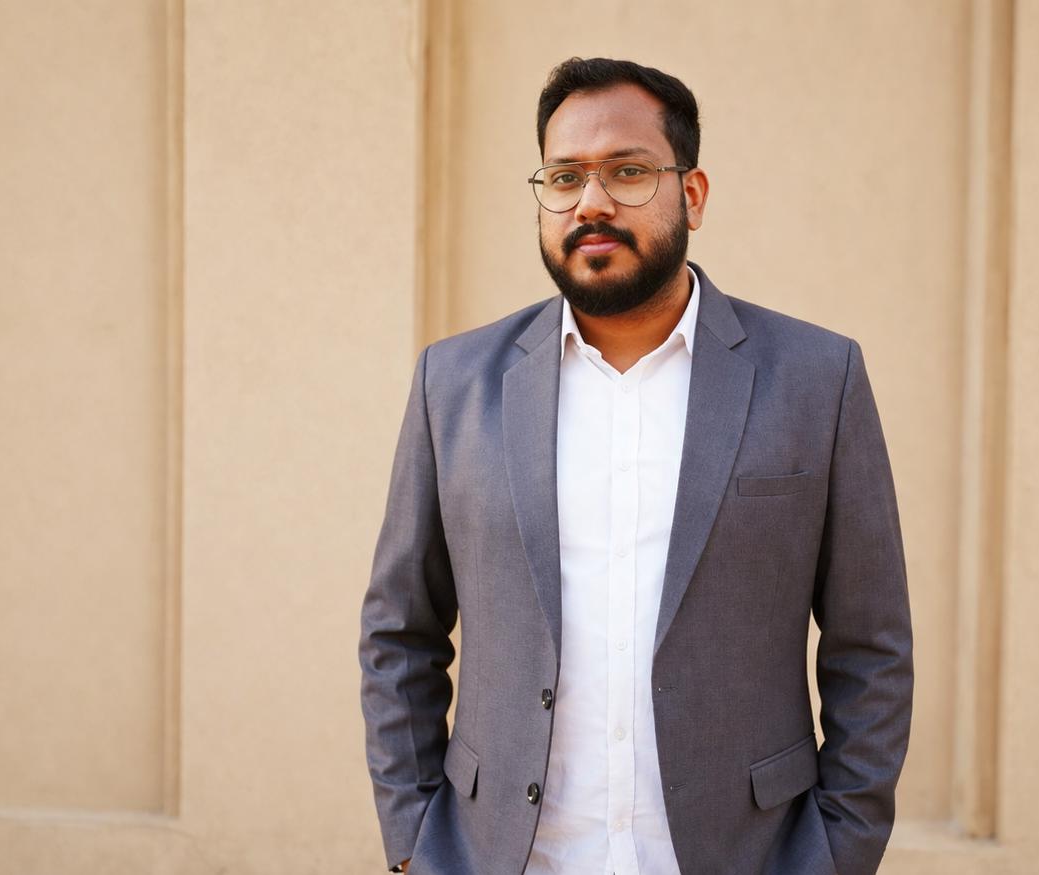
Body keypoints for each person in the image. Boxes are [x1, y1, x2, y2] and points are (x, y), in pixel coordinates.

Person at [359, 57, 912, 875]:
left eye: (627, 172)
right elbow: (398, 633)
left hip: (745, 856)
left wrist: (836, 853)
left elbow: (871, 649)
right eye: (564, 177)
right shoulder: (455, 383)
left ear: (692, 194)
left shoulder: (814, 379)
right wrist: (413, 842)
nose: (591, 202)